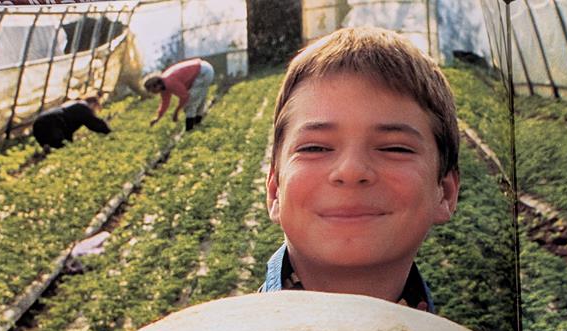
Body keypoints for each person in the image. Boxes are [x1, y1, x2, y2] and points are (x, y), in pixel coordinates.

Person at [259, 26, 460, 313]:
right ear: (275, 189)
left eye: (395, 149)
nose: (351, 171)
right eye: (315, 148)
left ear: (445, 193)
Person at [144, 58, 215, 131]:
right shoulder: (164, 84)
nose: (152, 93)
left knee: (190, 103)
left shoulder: (169, 82)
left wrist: (176, 111)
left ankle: (190, 129)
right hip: (203, 68)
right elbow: (165, 103)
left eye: (151, 90)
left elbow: (185, 97)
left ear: (156, 85)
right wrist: (158, 118)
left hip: (203, 72)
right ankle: (197, 123)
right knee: (198, 99)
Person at [31, 96, 110, 150]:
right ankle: (51, 145)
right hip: (52, 124)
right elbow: (93, 123)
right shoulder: (83, 108)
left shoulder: (72, 104)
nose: (94, 112)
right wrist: (108, 131)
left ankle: (46, 145)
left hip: (39, 122)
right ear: (93, 104)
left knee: (57, 140)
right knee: (62, 145)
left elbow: (68, 126)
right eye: (96, 108)